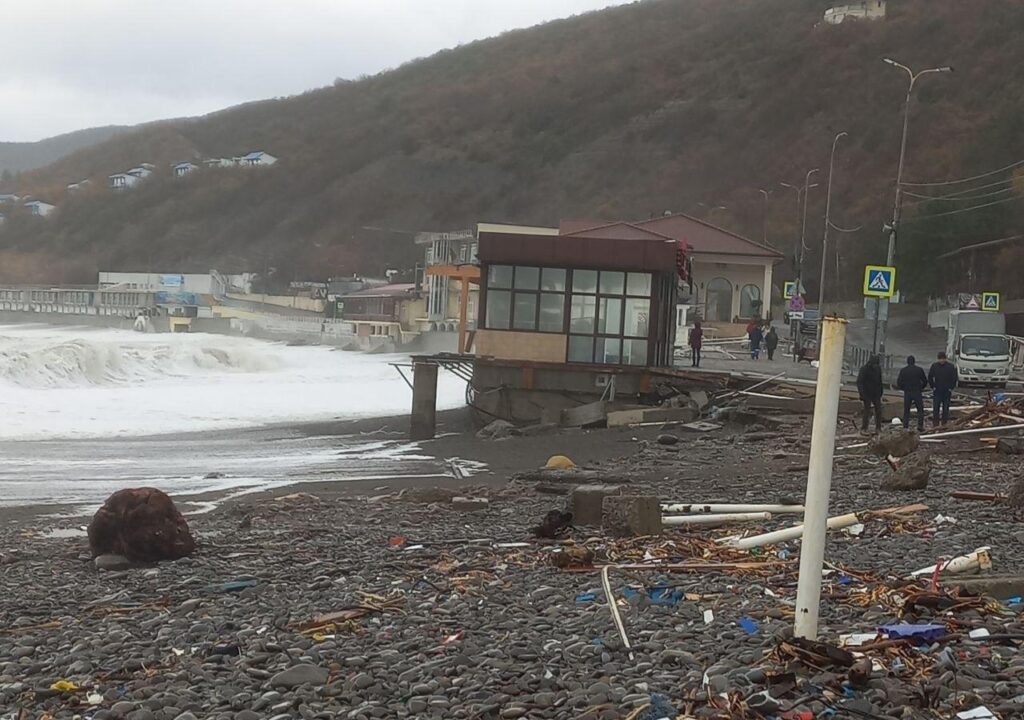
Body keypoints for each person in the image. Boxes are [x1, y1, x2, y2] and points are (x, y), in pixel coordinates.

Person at [896, 355, 928, 432]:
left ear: (907, 362)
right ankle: (920, 426)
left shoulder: (903, 370)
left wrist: (904, 388)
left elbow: (899, 382)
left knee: (906, 410)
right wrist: (921, 387)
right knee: (920, 410)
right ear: (914, 361)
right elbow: (925, 381)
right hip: (917, 391)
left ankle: (905, 426)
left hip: (908, 392)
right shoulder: (919, 370)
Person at [928, 351, 958, 426]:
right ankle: (935, 423)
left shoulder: (950, 367)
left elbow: (954, 378)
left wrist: (951, 387)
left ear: (945, 359)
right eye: (940, 359)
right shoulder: (934, 366)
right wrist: (933, 386)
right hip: (937, 389)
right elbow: (930, 377)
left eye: (943, 359)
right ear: (938, 359)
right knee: (936, 407)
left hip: (947, 390)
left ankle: (944, 423)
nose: (941, 360)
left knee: (946, 408)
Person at [856, 355, 884, 433]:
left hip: (876, 393)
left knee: (878, 410)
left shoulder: (878, 369)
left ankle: (878, 427)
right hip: (866, 393)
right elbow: (860, 382)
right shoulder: (864, 369)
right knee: (866, 410)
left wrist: (881, 392)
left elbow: (880, 381)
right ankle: (864, 427)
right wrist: (862, 394)